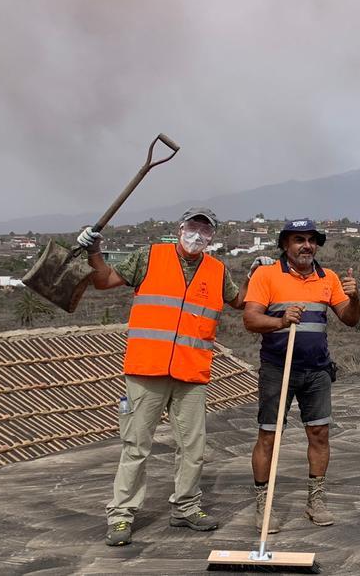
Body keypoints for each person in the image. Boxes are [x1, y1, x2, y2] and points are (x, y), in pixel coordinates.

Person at [79, 207, 250, 547]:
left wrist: (262, 276)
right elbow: (103, 281)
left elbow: (241, 301)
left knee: (193, 448)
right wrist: (93, 251)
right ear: (180, 227)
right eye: (193, 227)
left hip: (191, 372)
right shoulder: (150, 256)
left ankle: (186, 507)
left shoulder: (217, 271)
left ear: (212, 237)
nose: (197, 235)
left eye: (205, 230)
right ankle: (121, 516)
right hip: (147, 369)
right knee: (136, 446)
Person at [242, 218, 360, 533]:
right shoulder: (266, 275)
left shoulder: (329, 277)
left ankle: (316, 500)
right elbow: (251, 319)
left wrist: (356, 297)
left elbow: (349, 319)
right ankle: (263, 505)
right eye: (298, 239)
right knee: (269, 436)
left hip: (317, 370)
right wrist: (280, 321)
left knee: (319, 434)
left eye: (311, 240)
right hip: (277, 369)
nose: (306, 245)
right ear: (285, 244)